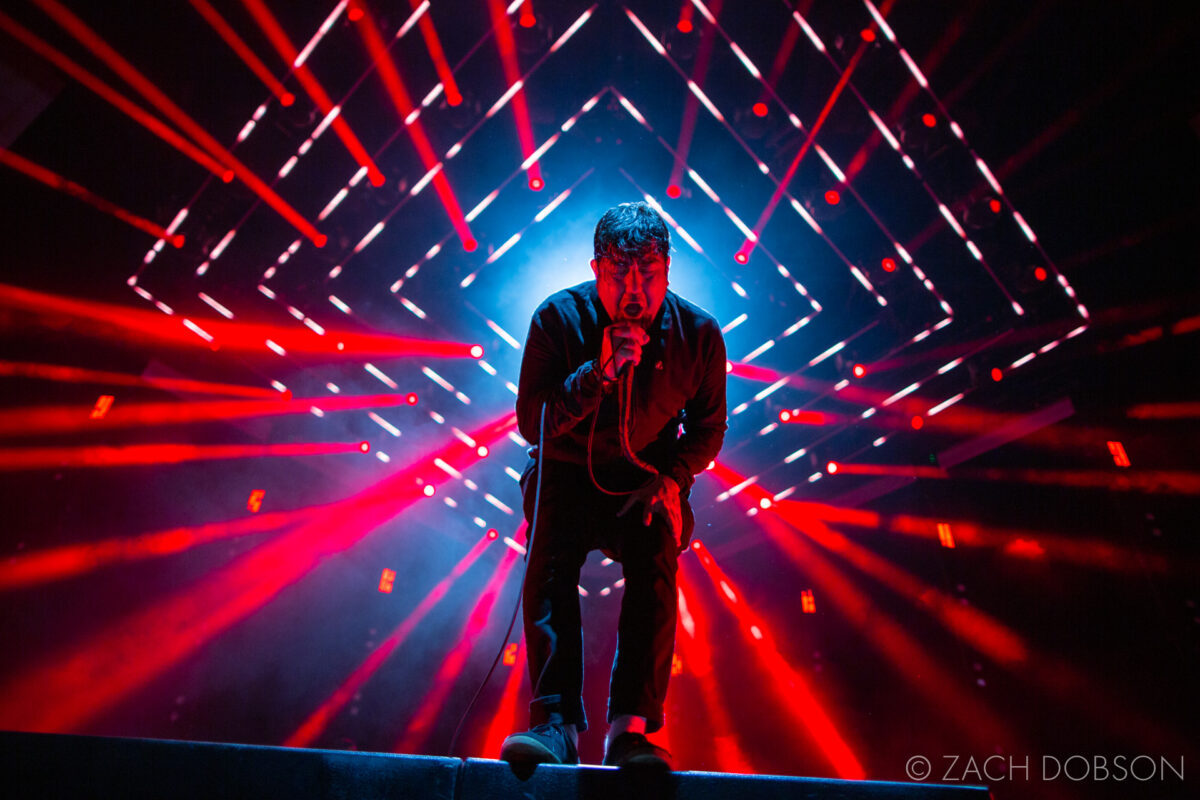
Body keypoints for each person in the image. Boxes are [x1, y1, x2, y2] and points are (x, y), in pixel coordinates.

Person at [500, 201, 727, 770]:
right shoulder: (556, 319)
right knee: (549, 560)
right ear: (597, 268)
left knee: (656, 558)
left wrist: (672, 480)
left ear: (667, 269)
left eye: (647, 275)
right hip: (569, 471)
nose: (633, 291)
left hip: (644, 479)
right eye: (619, 275)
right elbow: (533, 422)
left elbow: (707, 429)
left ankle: (630, 731)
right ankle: (555, 724)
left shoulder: (698, 335)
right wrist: (596, 374)